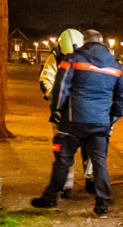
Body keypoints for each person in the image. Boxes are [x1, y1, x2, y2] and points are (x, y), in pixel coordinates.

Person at [32, 29, 123, 216]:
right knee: (100, 161)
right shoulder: (116, 64)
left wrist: (57, 111)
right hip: (100, 122)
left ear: (84, 42)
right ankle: (102, 204)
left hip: (73, 121)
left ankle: (51, 198)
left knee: (63, 159)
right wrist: (111, 118)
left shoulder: (73, 60)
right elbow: (122, 98)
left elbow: (60, 89)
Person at [39, 46, 93, 197]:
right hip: (68, 111)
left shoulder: (59, 59)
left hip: (82, 109)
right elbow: (45, 81)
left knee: (88, 147)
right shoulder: (54, 59)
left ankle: (90, 180)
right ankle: (66, 185)